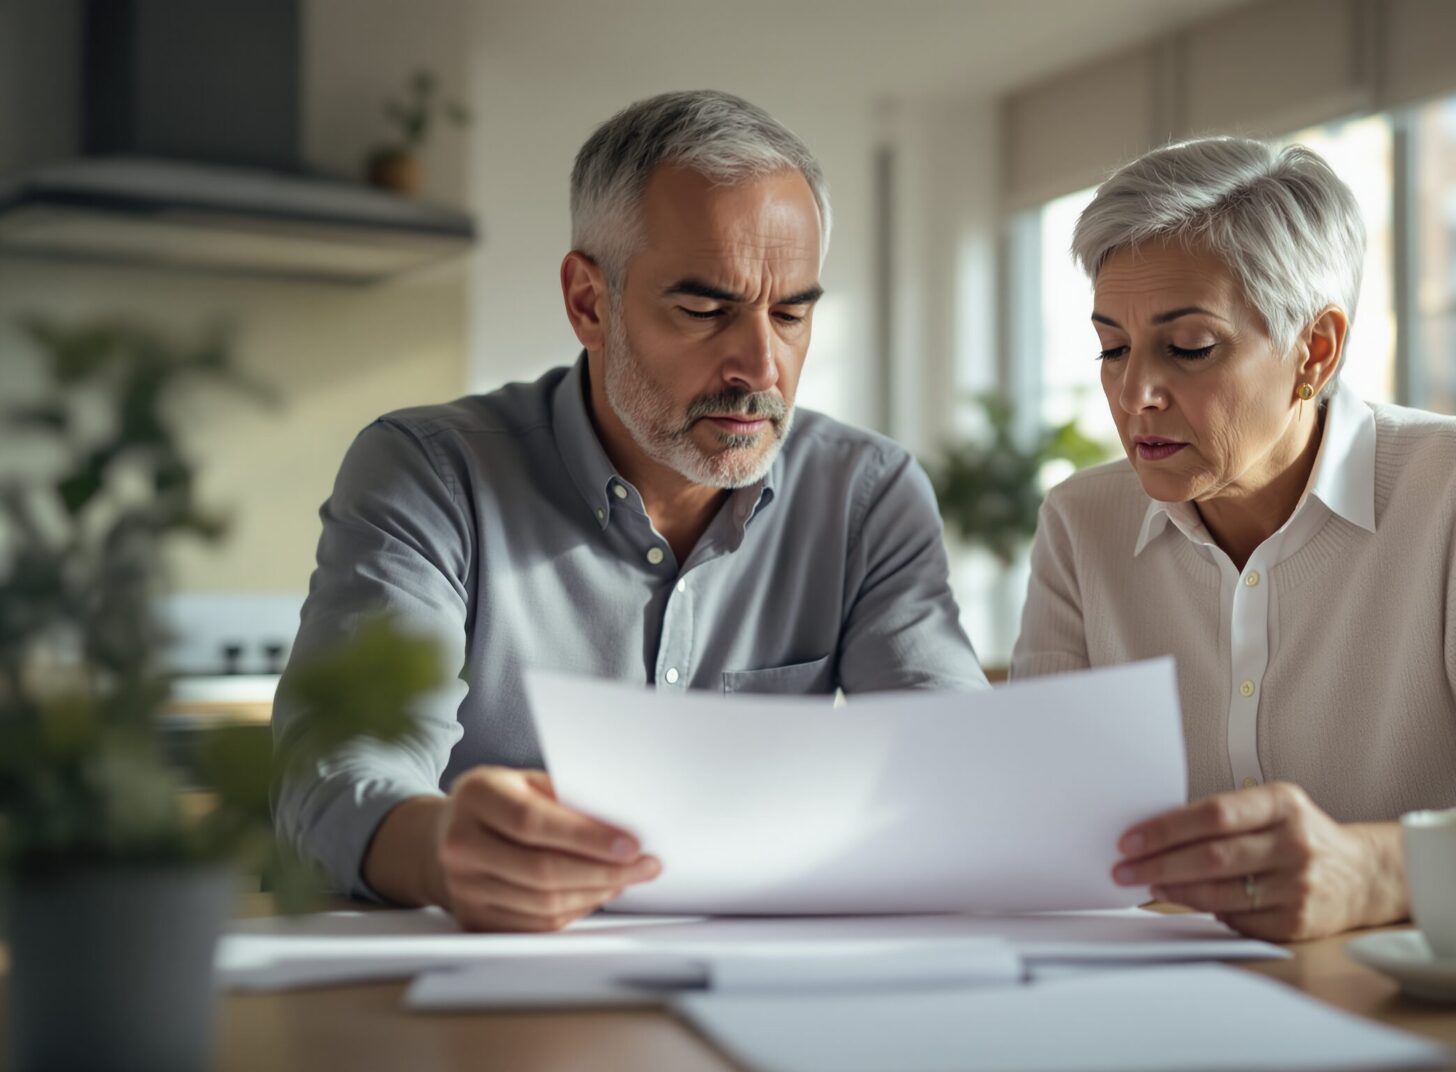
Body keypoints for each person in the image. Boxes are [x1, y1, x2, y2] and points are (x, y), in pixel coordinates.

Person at [272, 90, 986, 932]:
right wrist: (440, 847)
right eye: (705, 309)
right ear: (589, 302)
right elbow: (332, 772)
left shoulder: (867, 495)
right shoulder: (429, 475)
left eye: (791, 312)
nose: (761, 363)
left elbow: (959, 770)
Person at [1013, 137, 1456, 943]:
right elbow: (1037, 820)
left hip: (1440, 1005)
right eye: (1113, 348)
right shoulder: (1079, 524)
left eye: (1188, 348)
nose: (1135, 395)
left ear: (1315, 349)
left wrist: (1381, 869)